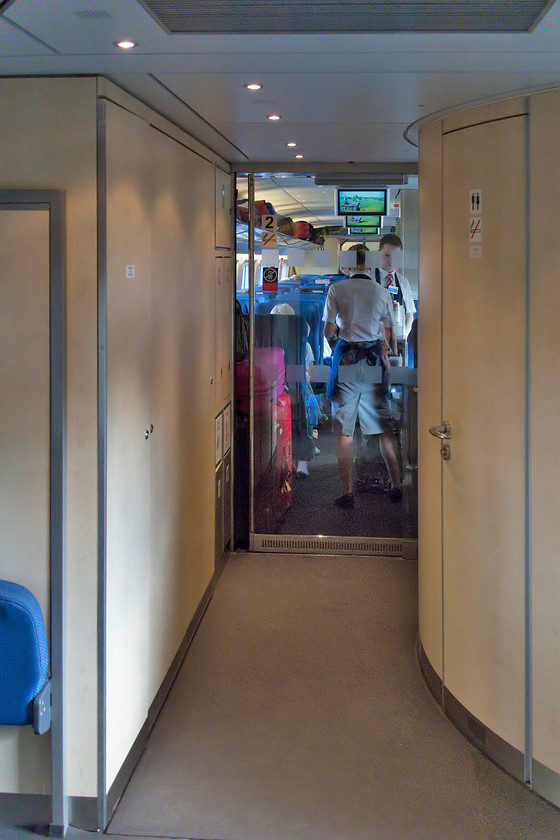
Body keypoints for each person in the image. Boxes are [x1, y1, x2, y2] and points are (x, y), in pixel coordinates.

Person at [323, 245, 402, 509]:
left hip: (347, 359)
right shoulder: (382, 292)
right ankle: (397, 485)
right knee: (382, 428)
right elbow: (387, 335)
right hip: (371, 361)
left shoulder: (336, 290)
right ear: (370, 265)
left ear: (346, 265)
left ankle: (347, 492)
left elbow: (328, 331)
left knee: (344, 429)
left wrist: (342, 332)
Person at [375, 233, 416, 342]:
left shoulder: (403, 283)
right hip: (374, 339)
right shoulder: (369, 279)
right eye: (387, 255)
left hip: (398, 338)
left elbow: (409, 315)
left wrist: (403, 338)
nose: (391, 260)